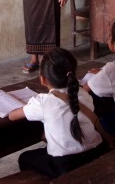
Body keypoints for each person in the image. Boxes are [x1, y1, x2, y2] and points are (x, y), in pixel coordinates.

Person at [8, 47, 104, 179]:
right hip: (96, 151)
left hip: (64, 164)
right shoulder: (84, 94)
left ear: (42, 79)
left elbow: (12, 116)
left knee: (24, 158)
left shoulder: (43, 102)